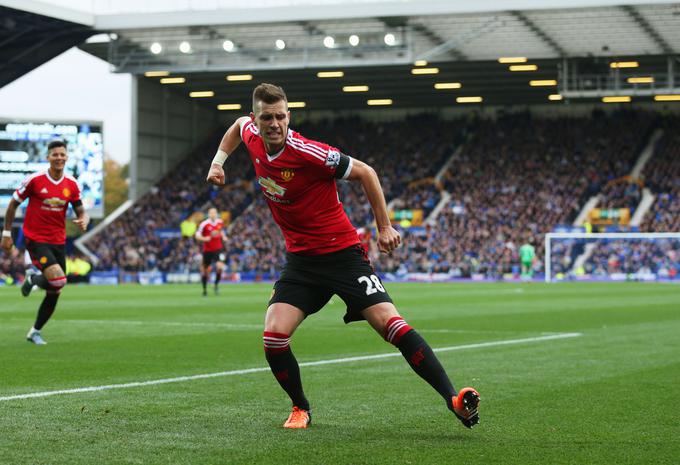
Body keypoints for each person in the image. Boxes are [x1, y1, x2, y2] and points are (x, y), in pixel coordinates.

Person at [206, 83, 480, 429]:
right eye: (266, 118)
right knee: (274, 336)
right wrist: (218, 163)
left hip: (343, 255)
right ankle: (300, 408)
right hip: (302, 263)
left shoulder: (309, 152)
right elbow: (234, 127)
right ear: (255, 119)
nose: (274, 124)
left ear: (289, 116)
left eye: (280, 117)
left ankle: (454, 400)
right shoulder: (249, 132)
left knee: (390, 324)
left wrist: (384, 227)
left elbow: (367, 173)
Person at [1, 140, 89, 345]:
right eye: (55, 154)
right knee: (59, 280)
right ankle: (32, 280)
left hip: (58, 240)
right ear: (48, 157)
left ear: (66, 157)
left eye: (62, 154)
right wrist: (6, 233)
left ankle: (35, 331)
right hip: (36, 238)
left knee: (55, 289)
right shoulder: (35, 180)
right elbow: (13, 204)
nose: (59, 158)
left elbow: (79, 208)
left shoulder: (71, 184)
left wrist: (83, 219)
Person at [195, 207, 227, 296]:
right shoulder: (204, 224)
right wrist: (204, 238)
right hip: (208, 250)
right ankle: (204, 290)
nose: (213, 214)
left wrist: (224, 236)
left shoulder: (220, 222)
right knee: (205, 271)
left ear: (216, 214)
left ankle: (216, 285)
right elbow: (197, 235)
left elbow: (221, 231)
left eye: (214, 213)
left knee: (220, 267)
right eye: (211, 213)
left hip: (218, 249)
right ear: (208, 214)